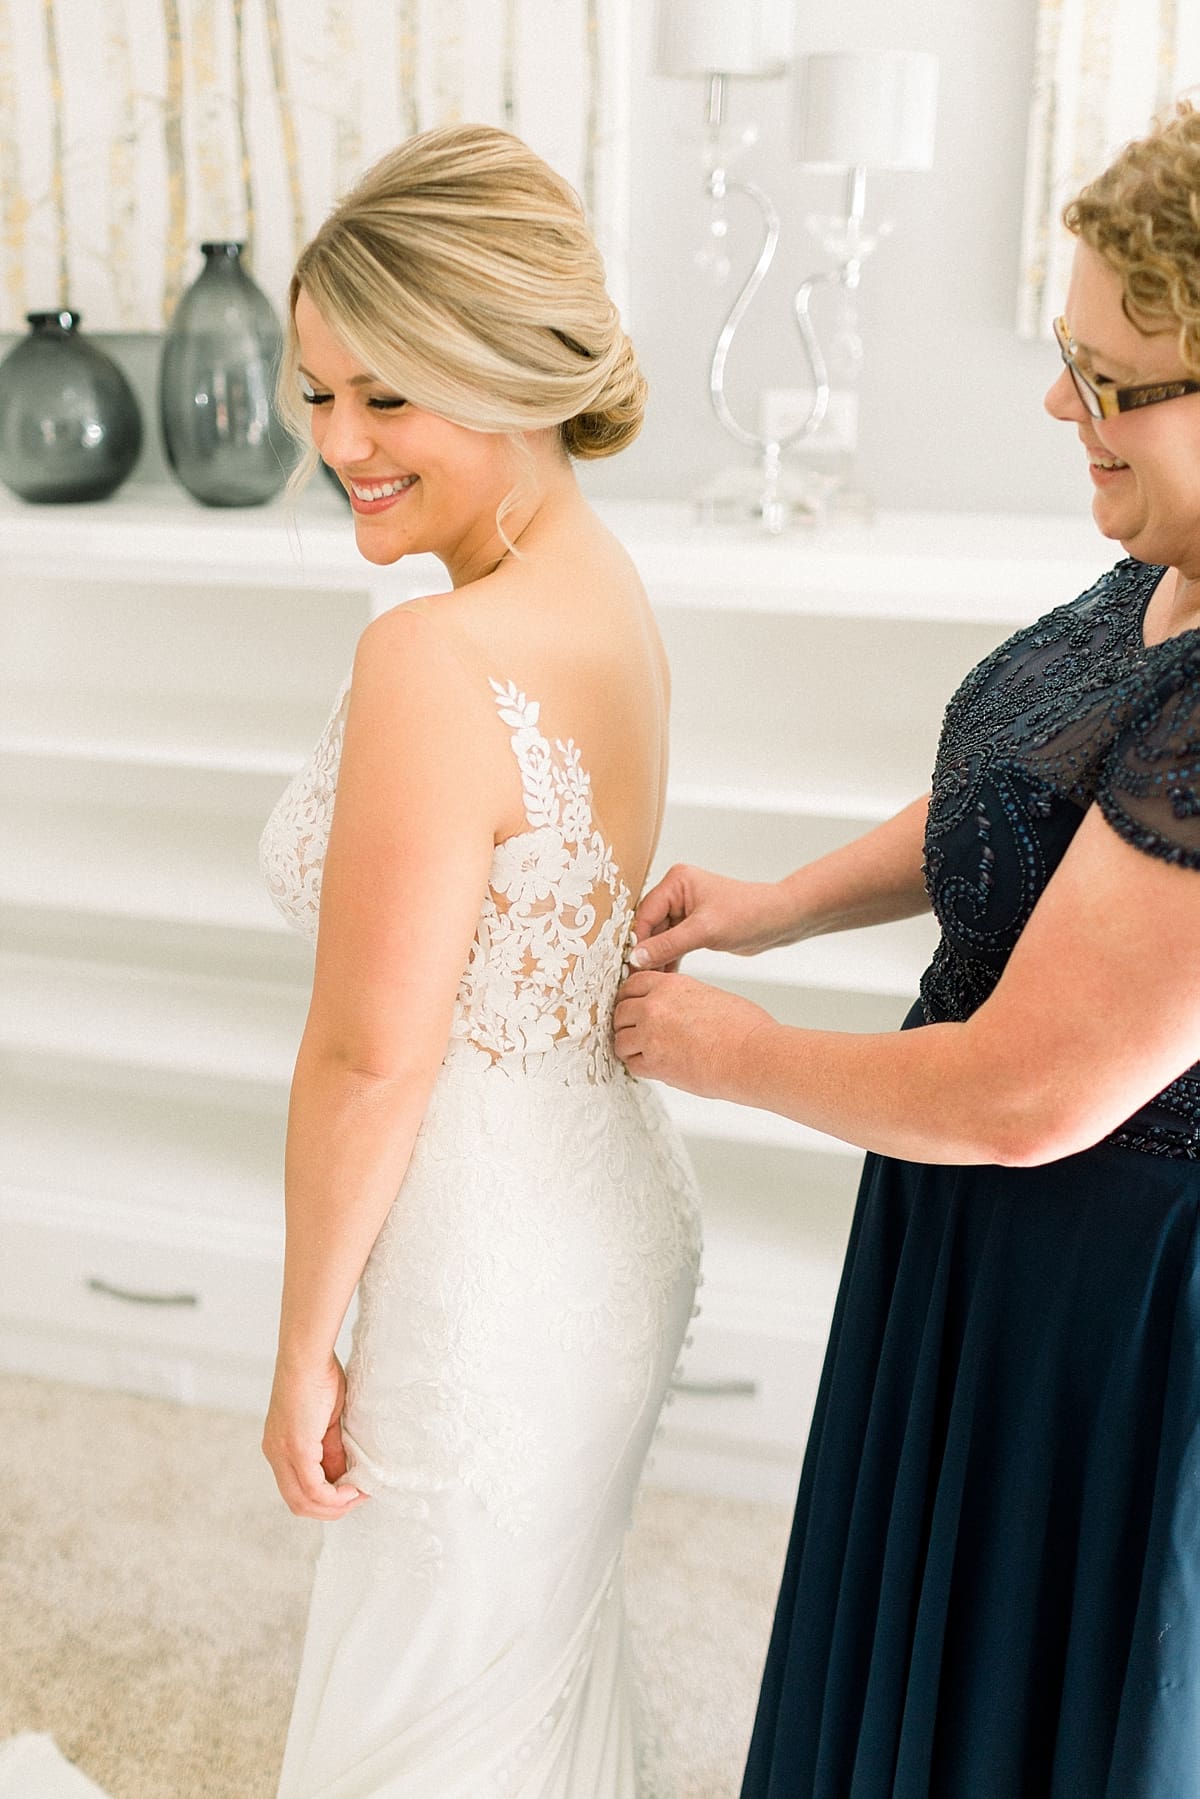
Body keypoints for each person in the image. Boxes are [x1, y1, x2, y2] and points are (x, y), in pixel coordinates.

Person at [615, 100, 1200, 1797]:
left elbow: (1026, 1094)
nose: (1060, 408)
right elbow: (1029, 788)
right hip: (984, 1233)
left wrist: (733, 1053)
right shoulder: (1162, 565)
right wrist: (781, 904)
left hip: (1109, 1305)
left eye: (1107, 379)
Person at [258, 124, 701, 1798]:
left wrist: (303, 1342)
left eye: (389, 396)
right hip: (606, 1218)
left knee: (430, 1706)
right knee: (518, 1675)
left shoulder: (435, 659)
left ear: (512, 375)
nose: (338, 444)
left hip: (482, 1281)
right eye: (320, 392)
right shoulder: (605, 583)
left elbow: (371, 1057)